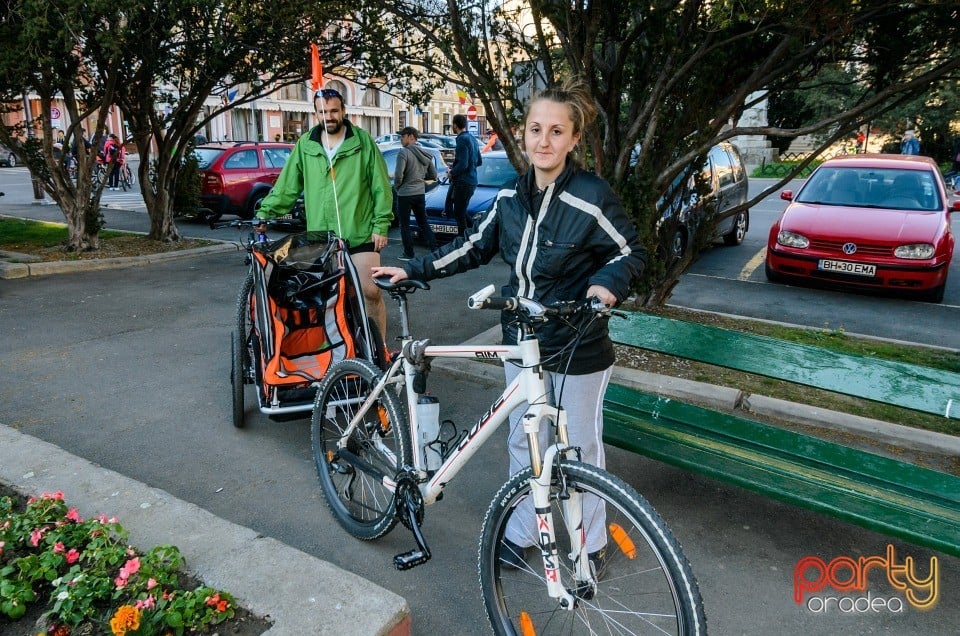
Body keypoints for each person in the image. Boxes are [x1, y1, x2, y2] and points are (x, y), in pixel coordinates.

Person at [372, 79, 645, 570]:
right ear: (522, 134)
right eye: (535, 129)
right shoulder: (510, 198)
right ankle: (522, 535)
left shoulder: (590, 196)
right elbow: (472, 247)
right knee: (524, 441)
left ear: (573, 139)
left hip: (575, 346)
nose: (544, 140)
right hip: (522, 343)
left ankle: (590, 546)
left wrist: (606, 285)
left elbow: (631, 251)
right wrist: (413, 268)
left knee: (578, 452)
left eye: (556, 131)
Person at [255, 87, 393, 340]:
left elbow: (380, 187)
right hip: (321, 237)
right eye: (322, 112)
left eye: (333, 111)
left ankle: (380, 350)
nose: (328, 116)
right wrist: (265, 212)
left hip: (360, 233)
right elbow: (287, 187)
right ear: (315, 113)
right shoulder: (306, 145)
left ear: (343, 111)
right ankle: (337, 352)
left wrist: (380, 225)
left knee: (370, 291)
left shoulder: (362, 142)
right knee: (327, 297)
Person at [394, 126, 439, 260]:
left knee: (405, 225)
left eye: (402, 136)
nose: (401, 139)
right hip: (420, 192)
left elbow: (398, 175)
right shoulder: (425, 153)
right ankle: (434, 249)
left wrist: (397, 187)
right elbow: (433, 174)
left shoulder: (404, 152)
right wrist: (420, 179)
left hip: (405, 194)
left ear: (410, 137)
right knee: (423, 222)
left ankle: (409, 253)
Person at [445, 113, 482, 237]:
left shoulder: (461, 140)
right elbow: (479, 161)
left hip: (463, 181)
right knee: (460, 210)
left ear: (455, 126)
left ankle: (465, 240)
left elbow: (463, 164)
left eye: (452, 125)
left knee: (459, 213)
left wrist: (452, 172)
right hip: (472, 180)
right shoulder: (472, 139)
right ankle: (476, 233)